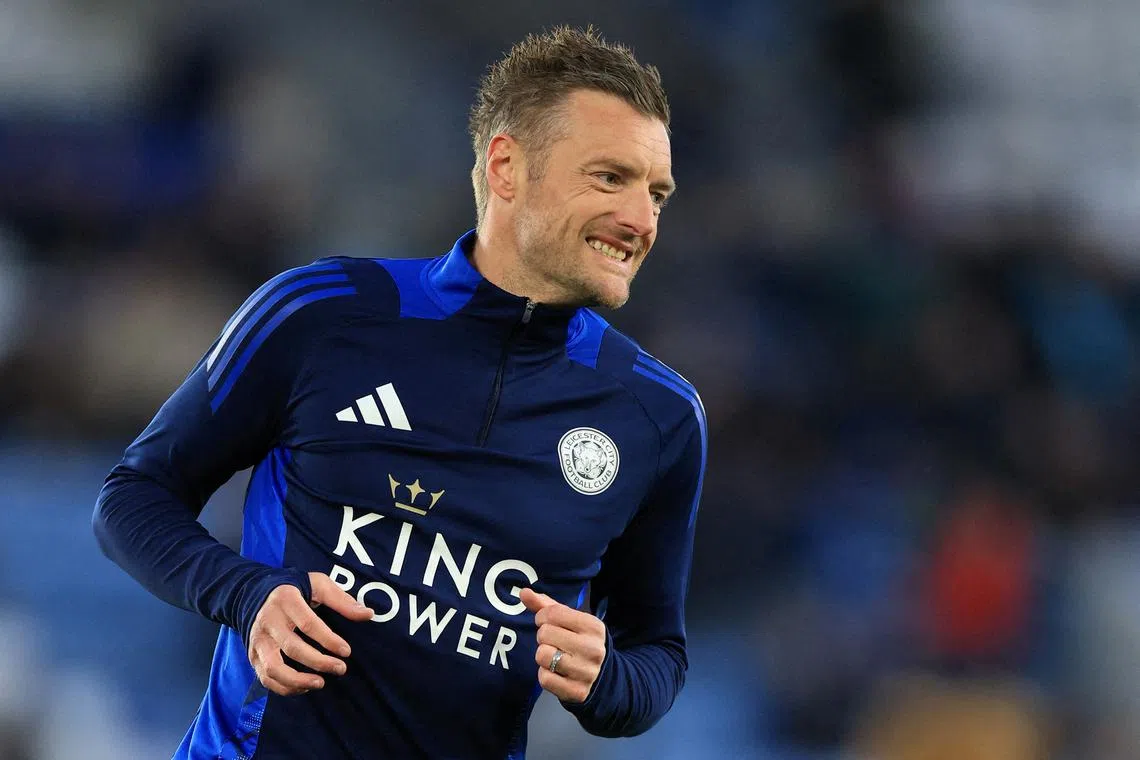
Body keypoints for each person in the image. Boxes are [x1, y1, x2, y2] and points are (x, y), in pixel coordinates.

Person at [93, 25, 707, 759]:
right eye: (610, 178)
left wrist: (607, 678)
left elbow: (658, 658)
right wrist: (245, 593)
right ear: (508, 167)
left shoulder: (659, 418)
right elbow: (133, 496)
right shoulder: (324, 311)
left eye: (657, 193)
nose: (641, 220)